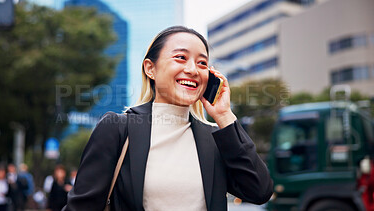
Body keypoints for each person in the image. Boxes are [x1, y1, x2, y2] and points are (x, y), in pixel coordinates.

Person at [63, 26, 273, 211]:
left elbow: (259, 191)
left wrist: (224, 115)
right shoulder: (117, 128)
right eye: (180, 57)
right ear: (150, 68)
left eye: (202, 63)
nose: (192, 70)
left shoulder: (215, 138)